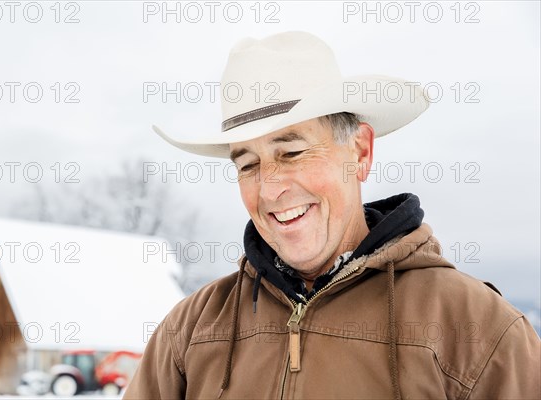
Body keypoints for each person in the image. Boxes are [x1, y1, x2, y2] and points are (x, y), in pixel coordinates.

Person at [123, 31, 540, 399]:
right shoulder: (189, 330)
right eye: (247, 164)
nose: (270, 189)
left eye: (292, 152)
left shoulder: (480, 329)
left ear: (359, 152)